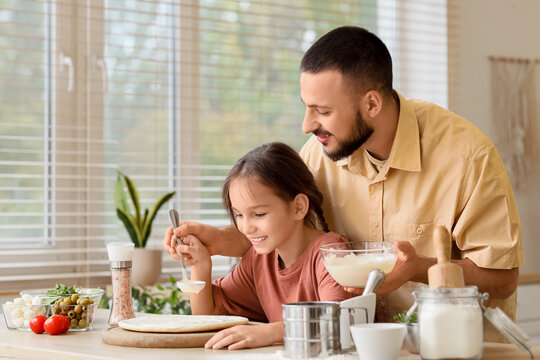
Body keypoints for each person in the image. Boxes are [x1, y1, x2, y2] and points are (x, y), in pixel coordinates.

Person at [164, 26, 523, 342]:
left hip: (455, 348)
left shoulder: (466, 157)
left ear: (371, 103)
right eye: (306, 107)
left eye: (322, 111)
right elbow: (285, 224)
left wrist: (418, 268)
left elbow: (502, 278)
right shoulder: (318, 153)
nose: (307, 124)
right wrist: (220, 240)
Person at [167, 142, 352, 350]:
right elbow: (208, 316)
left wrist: (268, 332)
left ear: (299, 207)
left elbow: (337, 320)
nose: (246, 227)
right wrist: (201, 264)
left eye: (259, 214)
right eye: (238, 215)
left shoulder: (330, 253)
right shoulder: (259, 258)